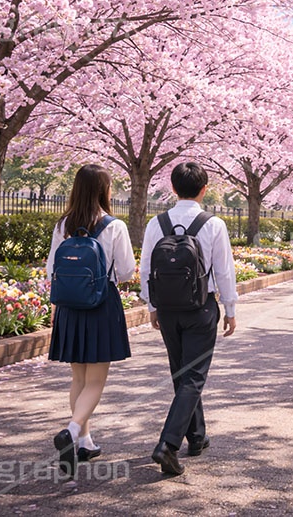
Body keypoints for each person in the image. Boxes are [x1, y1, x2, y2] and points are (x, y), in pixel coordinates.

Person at [139, 162, 238, 476]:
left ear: (172, 188)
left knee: (182, 375)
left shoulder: (157, 223)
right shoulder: (213, 224)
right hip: (201, 308)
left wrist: (152, 305)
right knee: (193, 377)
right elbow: (223, 272)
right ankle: (168, 444)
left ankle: (197, 437)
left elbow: (146, 268)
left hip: (168, 309)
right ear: (204, 189)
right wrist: (231, 310)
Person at [46, 164, 136, 477]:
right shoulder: (114, 226)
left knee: (79, 379)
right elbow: (125, 272)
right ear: (104, 191)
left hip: (69, 307)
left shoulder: (63, 225)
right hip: (101, 306)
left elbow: (51, 271)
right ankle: (71, 432)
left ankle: (85, 441)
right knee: (96, 381)